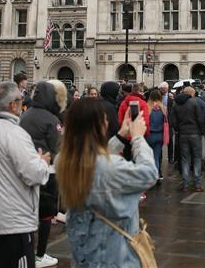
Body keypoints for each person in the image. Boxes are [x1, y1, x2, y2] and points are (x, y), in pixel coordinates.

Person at [56, 98, 157, 267]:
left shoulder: (65, 161)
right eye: (104, 119)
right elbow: (149, 173)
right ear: (99, 126)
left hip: (84, 254)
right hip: (114, 255)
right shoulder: (107, 168)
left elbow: (95, 161)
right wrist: (138, 137)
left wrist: (121, 135)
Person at [0, 81, 50, 268]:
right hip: (12, 223)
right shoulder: (15, 134)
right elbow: (34, 174)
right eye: (21, 100)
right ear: (12, 104)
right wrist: (42, 162)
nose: (23, 105)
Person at [18, 80, 67, 268]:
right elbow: (58, 146)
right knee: (46, 214)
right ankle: (40, 254)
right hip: (47, 171)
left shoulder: (26, 114)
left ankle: (27, 252)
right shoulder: (51, 119)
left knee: (30, 213)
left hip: (27, 168)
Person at [169, 86, 205, 192]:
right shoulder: (194, 103)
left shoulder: (176, 104)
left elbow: (173, 120)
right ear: (191, 93)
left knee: (185, 159)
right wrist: (202, 130)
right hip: (195, 133)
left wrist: (178, 129)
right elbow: (200, 118)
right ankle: (197, 184)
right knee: (197, 158)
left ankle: (185, 183)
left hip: (182, 133)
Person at [145, 89, 167, 179]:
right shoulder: (163, 108)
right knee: (156, 157)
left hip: (149, 135)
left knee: (147, 157)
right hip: (160, 135)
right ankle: (156, 175)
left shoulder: (147, 107)